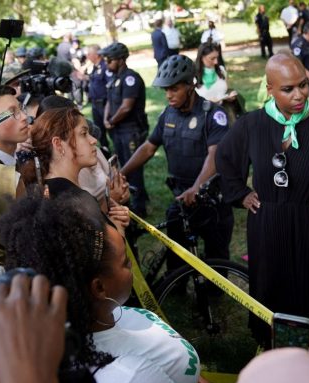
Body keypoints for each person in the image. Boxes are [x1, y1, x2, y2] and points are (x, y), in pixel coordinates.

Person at [0, 195, 219, 383]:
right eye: (125, 262)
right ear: (100, 287)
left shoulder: (88, 327)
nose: (131, 264)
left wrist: (182, 369)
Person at [215, 52, 309, 376]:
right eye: (287, 89)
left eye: (302, 86)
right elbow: (224, 158)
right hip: (269, 228)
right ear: (269, 89)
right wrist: (241, 194)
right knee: (275, 293)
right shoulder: (251, 125)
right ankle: (281, 364)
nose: (298, 95)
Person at [122, 55, 234, 270]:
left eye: (174, 89)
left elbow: (215, 155)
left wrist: (197, 187)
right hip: (182, 195)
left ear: (191, 85)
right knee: (177, 250)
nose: (168, 95)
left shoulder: (213, 114)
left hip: (211, 195)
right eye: (166, 90)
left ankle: (214, 293)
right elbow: (149, 146)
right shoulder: (168, 115)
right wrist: (122, 172)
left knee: (216, 251)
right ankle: (176, 285)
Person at [26, 106, 130, 230]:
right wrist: (117, 223)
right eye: (84, 134)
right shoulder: (75, 200)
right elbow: (114, 248)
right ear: (58, 144)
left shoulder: (49, 187)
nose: (93, 140)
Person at [100, 42, 149, 216]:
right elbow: (108, 101)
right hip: (118, 130)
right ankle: (133, 200)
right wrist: (107, 119)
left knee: (133, 168)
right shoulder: (114, 78)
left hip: (131, 131)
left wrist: (111, 121)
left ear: (121, 60)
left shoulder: (130, 78)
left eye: (110, 60)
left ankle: (140, 207)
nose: (107, 63)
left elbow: (127, 107)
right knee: (121, 166)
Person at [194, 42, 242, 122]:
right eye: (212, 58)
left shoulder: (221, 70)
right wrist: (209, 101)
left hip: (223, 115)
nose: (216, 62)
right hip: (203, 118)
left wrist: (229, 97)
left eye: (217, 58)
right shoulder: (193, 76)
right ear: (202, 57)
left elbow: (225, 91)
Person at [87, 44, 112, 151]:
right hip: (95, 103)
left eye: (89, 54)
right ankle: (105, 149)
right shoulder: (94, 67)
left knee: (110, 127)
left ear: (96, 55)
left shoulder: (105, 67)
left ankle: (120, 149)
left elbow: (110, 85)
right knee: (99, 130)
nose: (87, 56)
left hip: (104, 103)